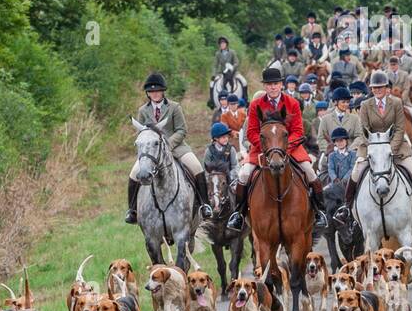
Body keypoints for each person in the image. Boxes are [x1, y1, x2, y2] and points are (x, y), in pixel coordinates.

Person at [225, 64, 328, 232]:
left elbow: (298, 131)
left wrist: (282, 148)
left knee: (310, 172)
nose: (272, 87)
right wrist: (268, 148)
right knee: (243, 174)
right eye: (269, 84)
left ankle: (319, 212)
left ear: (281, 85)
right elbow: (251, 133)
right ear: (265, 86)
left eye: (276, 83)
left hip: (290, 148)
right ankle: (239, 214)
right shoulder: (256, 104)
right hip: (262, 149)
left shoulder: (293, 103)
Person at [341, 69, 412, 238]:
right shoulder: (365, 105)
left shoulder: (396, 103)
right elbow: (363, 130)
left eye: (381, 87)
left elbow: (399, 128)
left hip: (396, 147)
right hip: (371, 147)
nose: (378, 90)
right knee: (356, 172)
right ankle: (347, 207)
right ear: (371, 89)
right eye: (375, 88)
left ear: (386, 87)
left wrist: (391, 148)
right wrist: (375, 149)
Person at [126, 72, 213, 224]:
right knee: (134, 174)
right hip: (152, 152)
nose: (155, 94)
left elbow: (181, 130)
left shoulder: (174, 107)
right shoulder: (142, 111)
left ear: (163, 91)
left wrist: (168, 144)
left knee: (197, 168)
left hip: (176, 147)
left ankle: (204, 205)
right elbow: (141, 134)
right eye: (152, 91)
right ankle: (132, 210)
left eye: (157, 91)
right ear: (148, 93)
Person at [316, 87, 360, 154]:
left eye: (347, 102)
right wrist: (330, 149)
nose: (346, 104)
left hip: (351, 153)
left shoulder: (355, 118)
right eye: (343, 102)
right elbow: (321, 138)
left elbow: (359, 136)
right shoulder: (325, 119)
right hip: (331, 153)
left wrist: (350, 149)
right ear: (335, 102)